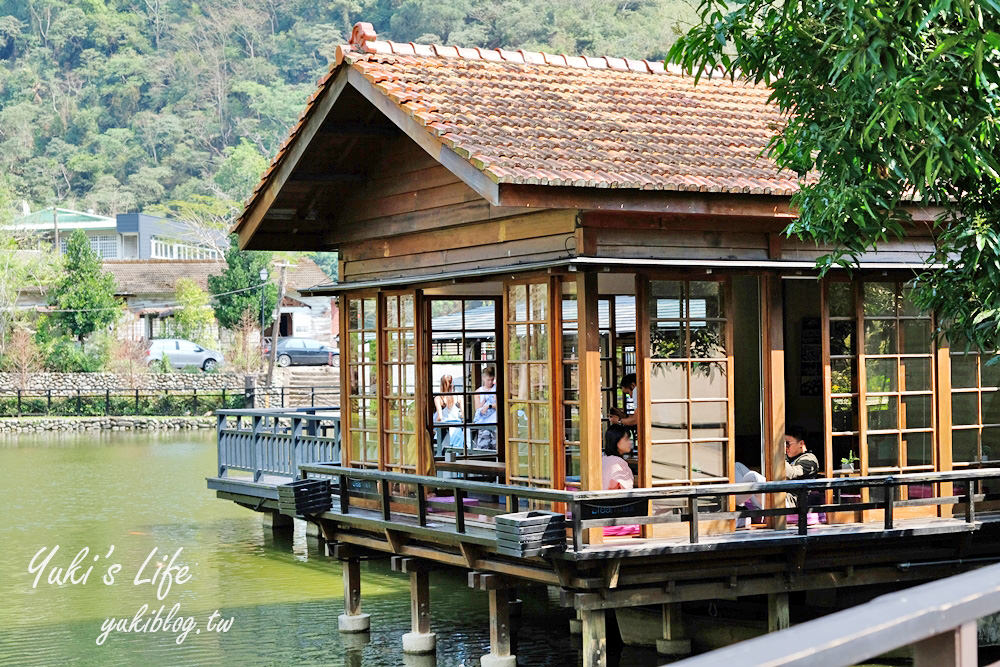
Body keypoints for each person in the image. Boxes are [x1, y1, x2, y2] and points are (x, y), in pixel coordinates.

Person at [602, 424, 640, 536]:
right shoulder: (618, 463)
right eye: (627, 439)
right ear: (617, 442)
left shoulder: (604, 459)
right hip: (614, 513)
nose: (630, 442)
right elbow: (627, 491)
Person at [784, 425, 820, 508]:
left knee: (753, 477)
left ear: (801, 443)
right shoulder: (790, 458)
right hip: (779, 497)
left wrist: (781, 454)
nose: (786, 447)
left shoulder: (809, 460)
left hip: (792, 502)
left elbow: (790, 474)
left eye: (787, 443)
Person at [433, 374, 463, 455]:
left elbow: (440, 417)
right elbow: (463, 415)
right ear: (452, 383)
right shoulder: (458, 396)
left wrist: (434, 429)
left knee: (442, 453)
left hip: (444, 429)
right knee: (457, 452)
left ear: (441, 384)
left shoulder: (438, 398)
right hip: (457, 428)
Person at [473, 366, 497, 450]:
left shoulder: (496, 389)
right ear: (483, 378)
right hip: (484, 424)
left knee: (497, 448)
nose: (490, 382)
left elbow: (500, 405)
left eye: (492, 379)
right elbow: (477, 409)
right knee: (483, 448)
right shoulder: (478, 392)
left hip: (495, 422)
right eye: (488, 380)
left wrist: (488, 406)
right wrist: (484, 402)